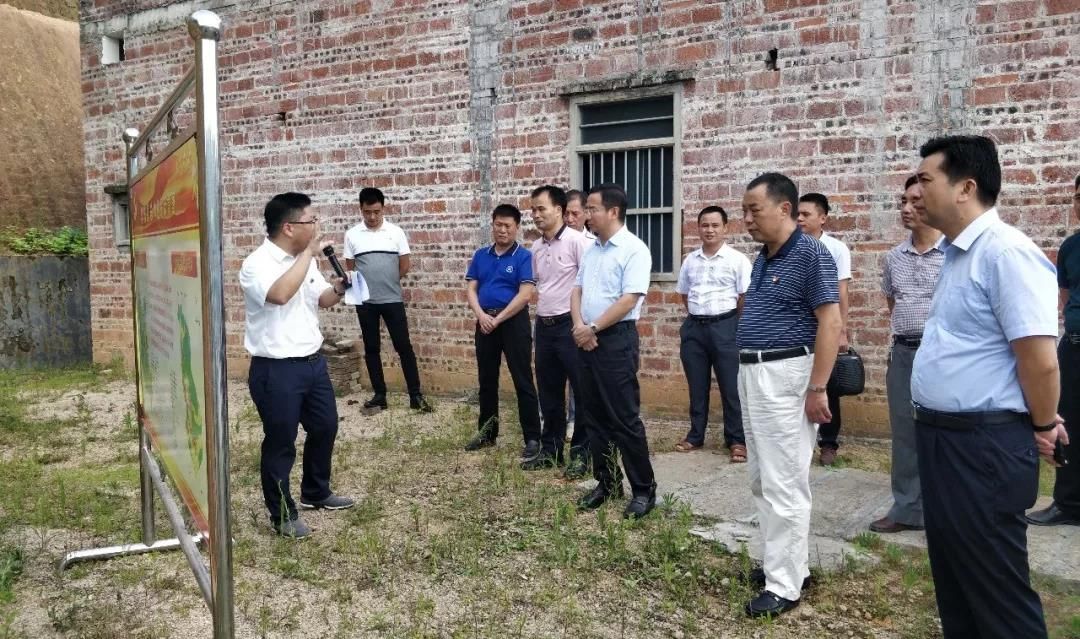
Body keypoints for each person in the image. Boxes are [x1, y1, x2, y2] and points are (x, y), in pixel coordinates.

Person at [911, 135, 1066, 638]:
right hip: (944, 439)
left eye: (926, 180)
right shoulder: (960, 254)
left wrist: (1043, 423)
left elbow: (1040, 362)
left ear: (966, 187)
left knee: (996, 591)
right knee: (956, 579)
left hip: (982, 448)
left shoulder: (1007, 253)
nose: (916, 192)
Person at [737, 173, 841, 618]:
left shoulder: (811, 254)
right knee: (762, 477)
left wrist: (817, 387)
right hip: (753, 372)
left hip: (786, 375)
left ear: (784, 209)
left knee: (784, 481)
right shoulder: (763, 258)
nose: (747, 220)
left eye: (754, 210)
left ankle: (785, 586)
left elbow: (831, 322)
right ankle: (784, 565)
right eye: (744, 211)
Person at [239, 192, 356, 539]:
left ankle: (315, 491)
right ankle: (282, 514)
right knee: (281, 442)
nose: (317, 226)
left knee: (325, 426)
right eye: (311, 220)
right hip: (276, 370)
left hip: (312, 364)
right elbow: (279, 295)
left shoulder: (306, 262)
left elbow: (321, 299)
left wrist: (339, 289)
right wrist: (308, 254)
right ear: (289, 227)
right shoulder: (256, 264)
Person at [571, 183, 656, 519]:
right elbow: (576, 290)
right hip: (586, 337)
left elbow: (629, 299)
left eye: (591, 209)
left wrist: (593, 328)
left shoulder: (634, 249)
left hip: (616, 339)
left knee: (623, 418)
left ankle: (644, 490)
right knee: (593, 416)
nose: (586, 215)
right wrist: (580, 326)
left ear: (613, 211)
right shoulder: (592, 250)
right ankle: (607, 482)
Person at [868, 176, 943, 534]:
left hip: (942, 355)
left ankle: (947, 510)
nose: (906, 208)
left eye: (916, 201)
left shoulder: (954, 253)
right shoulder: (893, 257)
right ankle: (907, 508)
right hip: (903, 352)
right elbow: (892, 302)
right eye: (903, 201)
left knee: (946, 433)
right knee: (904, 432)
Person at [523, 185, 594, 478]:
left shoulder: (579, 242)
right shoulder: (536, 248)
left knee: (582, 391)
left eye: (541, 209)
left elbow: (588, 285)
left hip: (570, 325)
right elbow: (539, 285)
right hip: (545, 325)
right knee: (549, 392)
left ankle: (581, 454)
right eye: (533, 210)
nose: (536, 215)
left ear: (559, 210)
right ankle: (550, 450)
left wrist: (583, 325)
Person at [462, 204, 543, 460]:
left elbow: (525, 294)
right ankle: (487, 433)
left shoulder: (523, 256)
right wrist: (481, 316)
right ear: (492, 225)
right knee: (487, 380)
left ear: (516, 227)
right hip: (485, 321)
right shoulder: (481, 255)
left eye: (508, 226)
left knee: (523, 379)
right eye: (498, 225)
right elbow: (471, 289)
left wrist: (498, 319)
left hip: (513, 323)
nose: (503, 230)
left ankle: (532, 437)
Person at [344, 187, 432, 412]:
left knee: (404, 346)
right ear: (361, 209)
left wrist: (387, 282)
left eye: (376, 211)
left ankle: (415, 396)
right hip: (365, 303)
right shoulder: (352, 235)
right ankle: (380, 395)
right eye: (367, 212)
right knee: (372, 348)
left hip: (392, 299)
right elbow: (351, 269)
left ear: (383, 208)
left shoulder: (396, 232)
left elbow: (404, 265)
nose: (372, 217)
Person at [674, 205, 751, 462]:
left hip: (726, 326)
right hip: (695, 328)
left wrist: (729, 322)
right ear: (698, 228)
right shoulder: (690, 260)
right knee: (697, 385)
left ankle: (736, 440)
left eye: (715, 225)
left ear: (726, 228)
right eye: (705, 225)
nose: (710, 230)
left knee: (731, 386)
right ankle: (696, 435)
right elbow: (685, 294)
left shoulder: (737, 260)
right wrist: (698, 317)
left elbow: (744, 297)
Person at [1027, 173, 1080, 528]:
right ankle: (1069, 504)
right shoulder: (1070, 248)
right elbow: (1065, 296)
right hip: (1074, 347)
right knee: (1069, 425)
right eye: (1078, 197)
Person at [797, 192, 851, 466]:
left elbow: (841, 292)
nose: (800, 219)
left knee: (827, 385)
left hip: (825, 326)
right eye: (797, 214)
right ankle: (799, 444)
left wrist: (841, 330)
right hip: (798, 329)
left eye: (806, 214)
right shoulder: (791, 246)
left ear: (823, 218)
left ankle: (828, 443)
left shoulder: (836, 249)